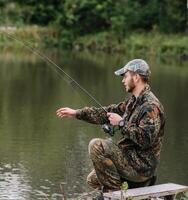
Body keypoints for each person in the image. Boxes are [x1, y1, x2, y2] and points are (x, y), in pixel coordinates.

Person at [56, 59, 165, 192]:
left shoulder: (150, 107)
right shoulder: (133, 102)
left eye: (125, 76)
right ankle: (122, 192)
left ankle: (115, 196)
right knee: (93, 179)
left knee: (96, 145)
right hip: (130, 160)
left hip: (141, 167)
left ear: (136, 77)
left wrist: (121, 123)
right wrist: (76, 113)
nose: (123, 80)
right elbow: (106, 112)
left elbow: (146, 140)